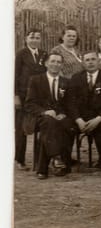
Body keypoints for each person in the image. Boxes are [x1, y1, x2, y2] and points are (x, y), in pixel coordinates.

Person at [24, 53, 76, 179]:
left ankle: (45, 168)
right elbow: (30, 103)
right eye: (52, 61)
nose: (55, 64)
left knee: (66, 124)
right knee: (49, 123)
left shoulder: (66, 82)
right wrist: (44, 112)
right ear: (46, 63)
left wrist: (63, 114)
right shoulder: (36, 80)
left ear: (62, 65)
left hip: (60, 117)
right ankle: (57, 158)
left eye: (59, 62)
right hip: (41, 116)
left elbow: (70, 104)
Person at [66, 51, 101, 174]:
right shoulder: (76, 78)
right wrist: (78, 120)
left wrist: (99, 119)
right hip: (81, 119)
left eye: (93, 59)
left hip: (100, 118)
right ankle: (64, 162)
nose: (90, 62)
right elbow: (70, 102)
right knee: (65, 125)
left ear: (98, 61)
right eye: (87, 60)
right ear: (83, 63)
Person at [15, 29, 48, 170]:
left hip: (38, 96)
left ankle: (41, 159)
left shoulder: (43, 54)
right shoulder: (21, 54)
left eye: (37, 38)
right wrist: (15, 96)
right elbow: (14, 75)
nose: (34, 40)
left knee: (40, 124)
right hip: (23, 95)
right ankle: (19, 159)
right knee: (21, 127)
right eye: (32, 37)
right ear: (26, 38)